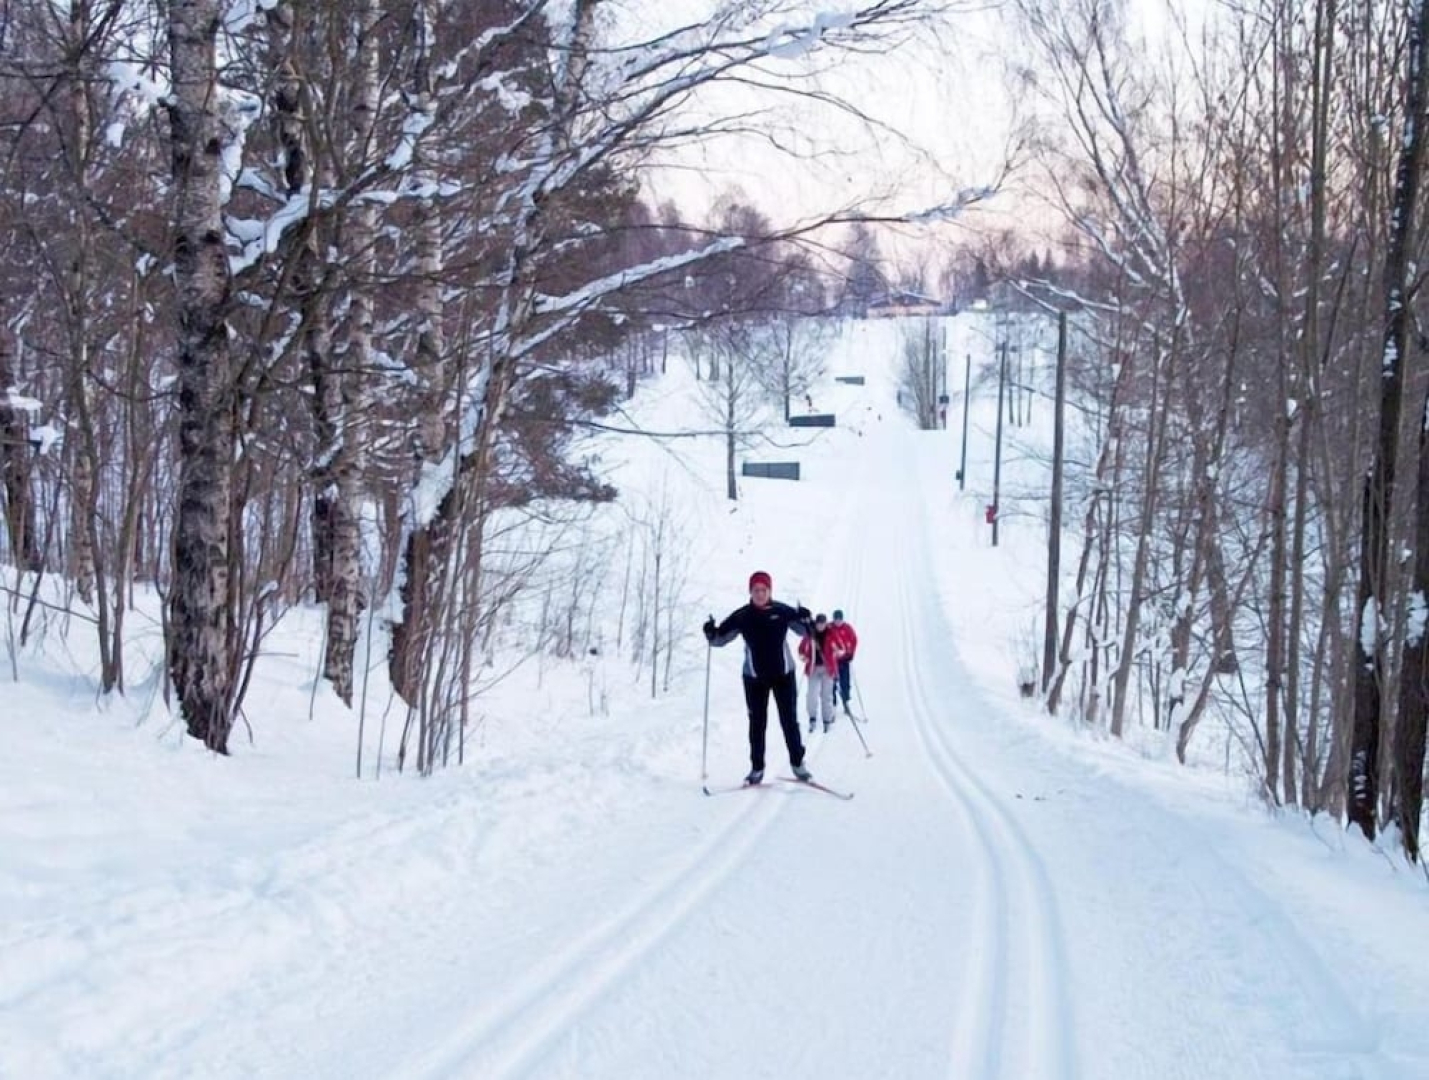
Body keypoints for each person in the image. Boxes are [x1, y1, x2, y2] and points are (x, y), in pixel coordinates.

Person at [703, 571, 814, 785]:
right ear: (750, 592)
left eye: (764, 590)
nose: (760, 594)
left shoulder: (782, 611)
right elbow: (719, 639)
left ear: (770, 591)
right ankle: (757, 769)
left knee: (789, 721)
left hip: (783, 675)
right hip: (754, 679)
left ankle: (798, 765)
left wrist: (806, 619)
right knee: (757, 724)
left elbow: (805, 632)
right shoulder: (742, 616)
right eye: (756, 590)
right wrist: (711, 633)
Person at [799, 613, 842, 733]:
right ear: (816, 623)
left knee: (826, 695)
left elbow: (840, 647)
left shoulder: (831, 633)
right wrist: (804, 657)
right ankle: (812, 718)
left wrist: (837, 652)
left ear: (826, 623)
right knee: (812, 695)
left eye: (823, 623)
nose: (821, 626)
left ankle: (827, 719)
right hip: (813, 668)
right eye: (819, 623)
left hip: (828, 669)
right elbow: (801, 649)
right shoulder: (810, 634)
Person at [828, 609, 859, 716]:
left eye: (839, 620)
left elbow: (854, 640)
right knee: (831, 683)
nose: (837, 622)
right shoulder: (829, 628)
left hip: (844, 660)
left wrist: (851, 654)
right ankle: (832, 704)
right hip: (832, 661)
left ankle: (846, 702)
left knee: (845, 682)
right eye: (836, 619)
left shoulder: (847, 628)